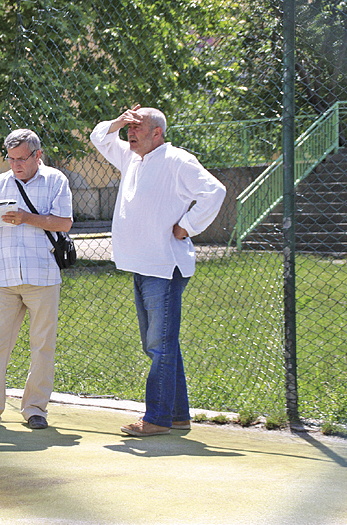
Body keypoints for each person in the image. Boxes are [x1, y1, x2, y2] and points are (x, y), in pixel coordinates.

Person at [90, 105, 226, 437]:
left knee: (160, 344)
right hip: (141, 264)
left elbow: (215, 191)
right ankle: (178, 415)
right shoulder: (131, 158)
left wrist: (188, 226)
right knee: (161, 343)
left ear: (158, 133)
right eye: (129, 127)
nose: (130, 133)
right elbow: (98, 136)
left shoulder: (177, 160)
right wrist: (119, 121)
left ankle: (157, 418)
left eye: (138, 127)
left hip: (164, 267)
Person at [0, 129, 73, 431]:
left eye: (21, 159)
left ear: (37, 155)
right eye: (10, 159)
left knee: (42, 346)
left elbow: (64, 223)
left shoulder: (56, 181)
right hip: (3, 276)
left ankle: (35, 409)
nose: (15, 165)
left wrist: (26, 217)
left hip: (43, 275)